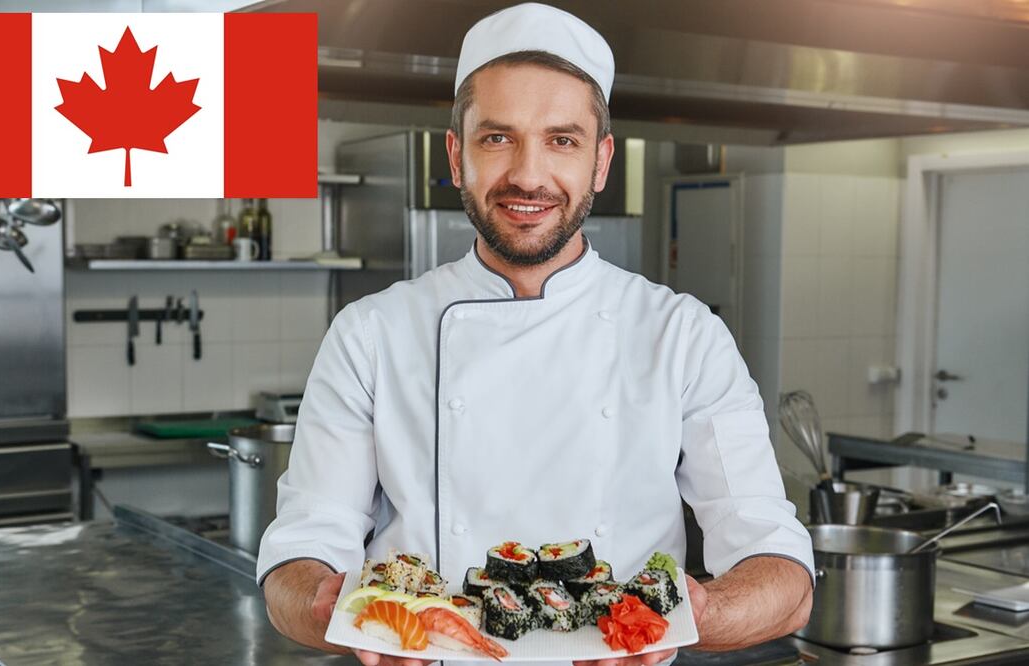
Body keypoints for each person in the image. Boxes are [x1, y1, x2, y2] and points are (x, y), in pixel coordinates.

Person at [259, 4, 813, 666]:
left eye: (563, 140)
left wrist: (699, 615)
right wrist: (331, 610)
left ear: (601, 161)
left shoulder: (683, 335)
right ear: (455, 153)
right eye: (497, 138)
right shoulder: (370, 335)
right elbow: (300, 556)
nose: (527, 175)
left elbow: (781, 570)